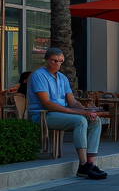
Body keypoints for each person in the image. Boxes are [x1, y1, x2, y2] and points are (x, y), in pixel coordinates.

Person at [27, 48, 107, 179]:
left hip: (61, 114)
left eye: (60, 61)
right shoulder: (39, 75)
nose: (57, 64)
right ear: (47, 59)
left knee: (94, 121)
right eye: (54, 60)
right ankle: (82, 165)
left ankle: (90, 163)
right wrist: (77, 113)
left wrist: (87, 111)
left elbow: (72, 101)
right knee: (79, 121)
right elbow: (47, 103)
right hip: (44, 114)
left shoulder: (62, 78)